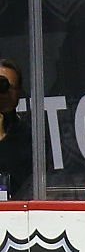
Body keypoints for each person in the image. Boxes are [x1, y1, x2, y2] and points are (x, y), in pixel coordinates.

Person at [0, 57, 32, 200]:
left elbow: (25, 180)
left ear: (19, 91)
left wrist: (2, 138)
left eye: (8, 87)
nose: (4, 92)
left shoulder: (29, 135)